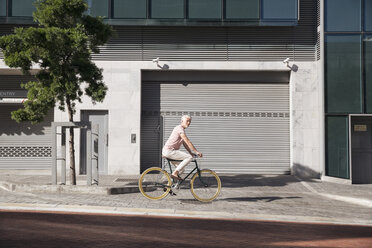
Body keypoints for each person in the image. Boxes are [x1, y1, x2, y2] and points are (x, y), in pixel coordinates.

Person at [162, 115, 203, 180]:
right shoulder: (179, 129)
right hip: (170, 151)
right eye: (187, 121)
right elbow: (188, 141)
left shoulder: (180, 130)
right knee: (189, 157)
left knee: (181, 170)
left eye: (190, 121)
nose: (189, 123)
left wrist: (191, 152)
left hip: (168, 152)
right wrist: (196, 151)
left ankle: (168, 185)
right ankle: (175, 173)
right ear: (182, 121)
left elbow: (185, 144)